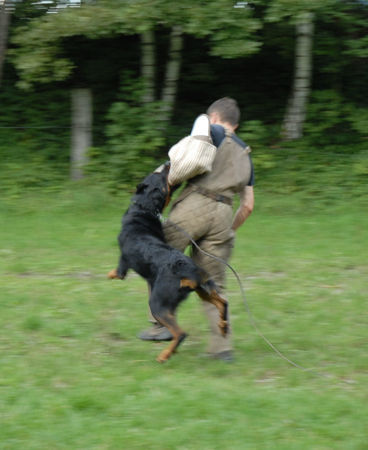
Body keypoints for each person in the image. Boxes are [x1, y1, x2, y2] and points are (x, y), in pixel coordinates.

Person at [139, 97, 254, 361]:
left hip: (196, 204)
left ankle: (160, 325)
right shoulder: (246, 155)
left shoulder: (210, 131)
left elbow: (185, 162)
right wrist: (228, 231)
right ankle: (221, 349)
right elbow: (247, 206)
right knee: (213, 285)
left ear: (215, 117)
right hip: (225, 214)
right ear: (236, 124)